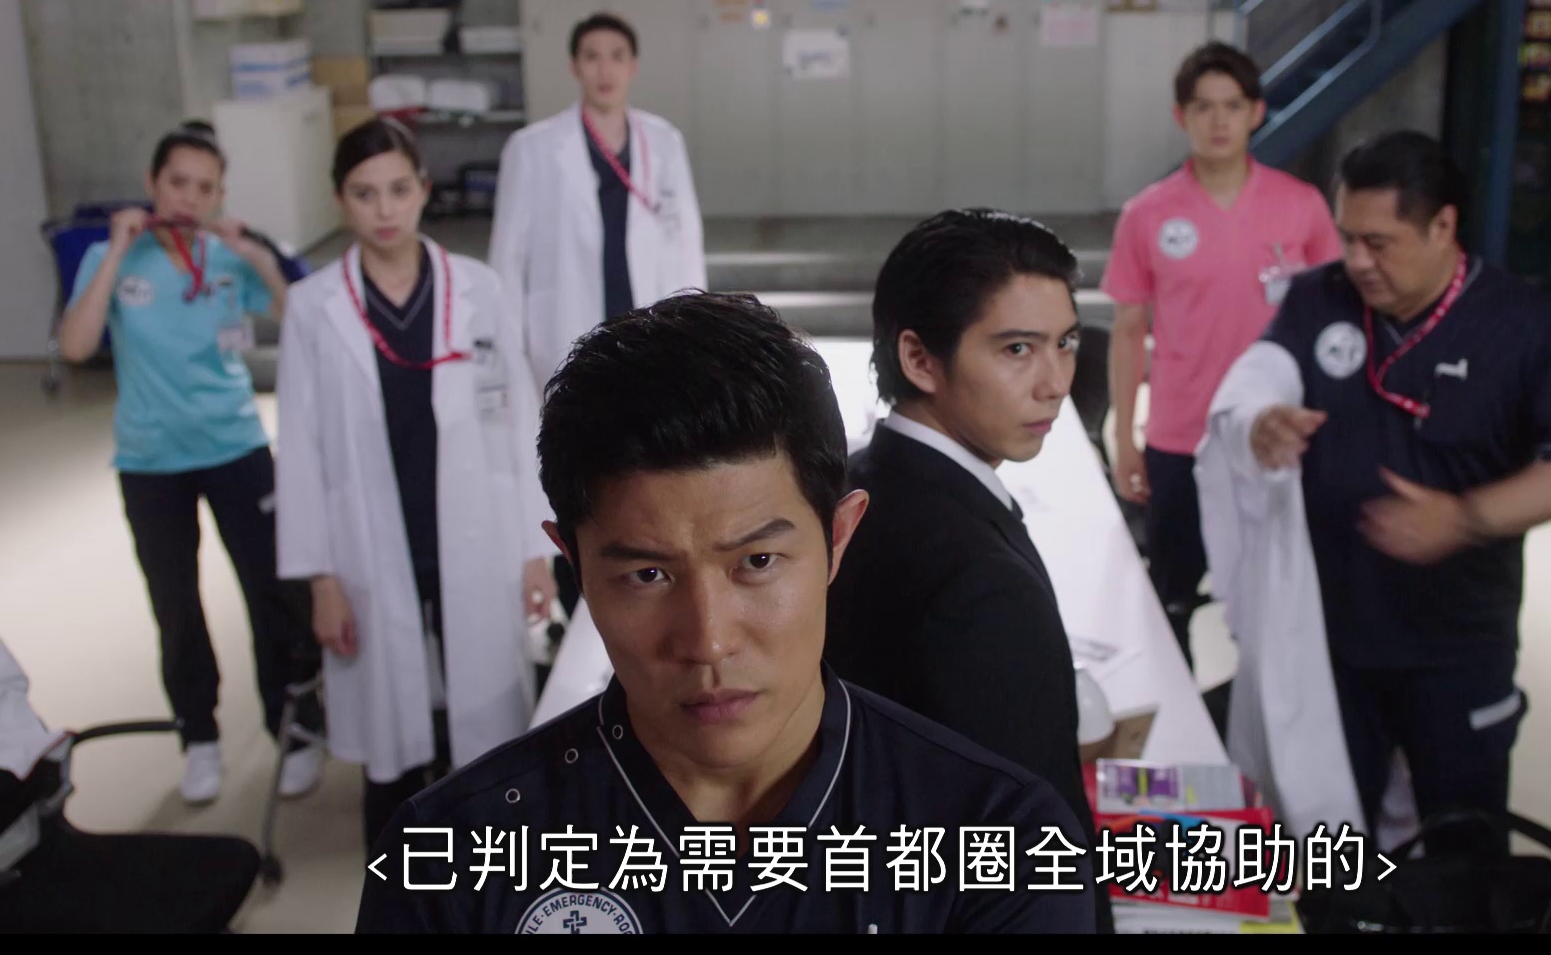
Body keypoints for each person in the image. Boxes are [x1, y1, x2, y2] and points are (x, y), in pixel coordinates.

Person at [355, 293, 1097, 934]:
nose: (708, 640)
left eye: (758, 563)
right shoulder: (450, 859)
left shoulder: (1001, 844)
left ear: (837, 540)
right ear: (574, 564)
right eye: (647, 574)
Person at [1244, 130, 1551, 844]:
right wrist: (1257, 420)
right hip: (1332, 639)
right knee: (1331, 839)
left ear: (1443, 226)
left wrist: (1466, 517)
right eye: (1348, 238)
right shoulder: (1320, 298)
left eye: (1378, 243)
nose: (1357, 261)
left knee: (1461, 843)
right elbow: (1260, 374)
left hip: (1455, 648)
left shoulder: (1524, 326)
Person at [274, 117, 558, 854]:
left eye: (399, 189)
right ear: (340, 200)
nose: (385, 209)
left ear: (424, 190)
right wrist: (321, 580)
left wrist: (535, 550)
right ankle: (400, 866)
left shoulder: (479, 289)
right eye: (365, 194)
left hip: (475, 527)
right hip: (371, 537)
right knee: (393, 713)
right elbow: (299, 447)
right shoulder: (313, 307)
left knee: (484, 704)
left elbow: (520, 422)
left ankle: (490, 858)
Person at [823, 209, 1111, 932]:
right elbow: (1029, 845)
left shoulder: (857, 485)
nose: (1055, 383)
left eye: (1066, 343)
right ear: (920, 359)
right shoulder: (979, 581)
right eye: (1017, 349)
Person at [56, 120, 324, 806]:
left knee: (273, 593)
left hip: (236, 446)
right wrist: (117, 252)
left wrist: (256, 254)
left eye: (205, 188)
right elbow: (76, 346)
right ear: (152, 183)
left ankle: (292, 731)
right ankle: (198, 736)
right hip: (150, 459)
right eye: (178, 182)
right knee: (175, 605)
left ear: (219, 196)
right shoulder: (112, 256)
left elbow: (304, 318)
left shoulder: (226, 256)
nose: (189, 198)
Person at [1101, 42, 1344, 668]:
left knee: (1279, 606)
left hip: (1278, 436)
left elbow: (1335, 327)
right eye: (1203, 107)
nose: (1218, 121)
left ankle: (1259, 722)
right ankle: (1178, 718)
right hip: (1182, 438)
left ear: (1256, 112)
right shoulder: (1148, 214)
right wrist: (1126, 438)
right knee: (1171, 601)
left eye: (1232, 106)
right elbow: (1128, 331)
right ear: (1181, 116)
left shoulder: (1301, 206)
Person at [488, 10, 707, 633]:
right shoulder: (533, 148)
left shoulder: (662, 142)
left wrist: (696, 336)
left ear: (632, 66)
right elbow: (507, 260)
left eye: (616, 56)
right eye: (591, 56)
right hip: (563, 342)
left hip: (647, 343)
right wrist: (507, 351)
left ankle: (641, 595)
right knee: (578, 473)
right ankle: (577, 597)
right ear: (574, 67)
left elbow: (686, 244)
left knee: (648, 472)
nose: (604, 69)